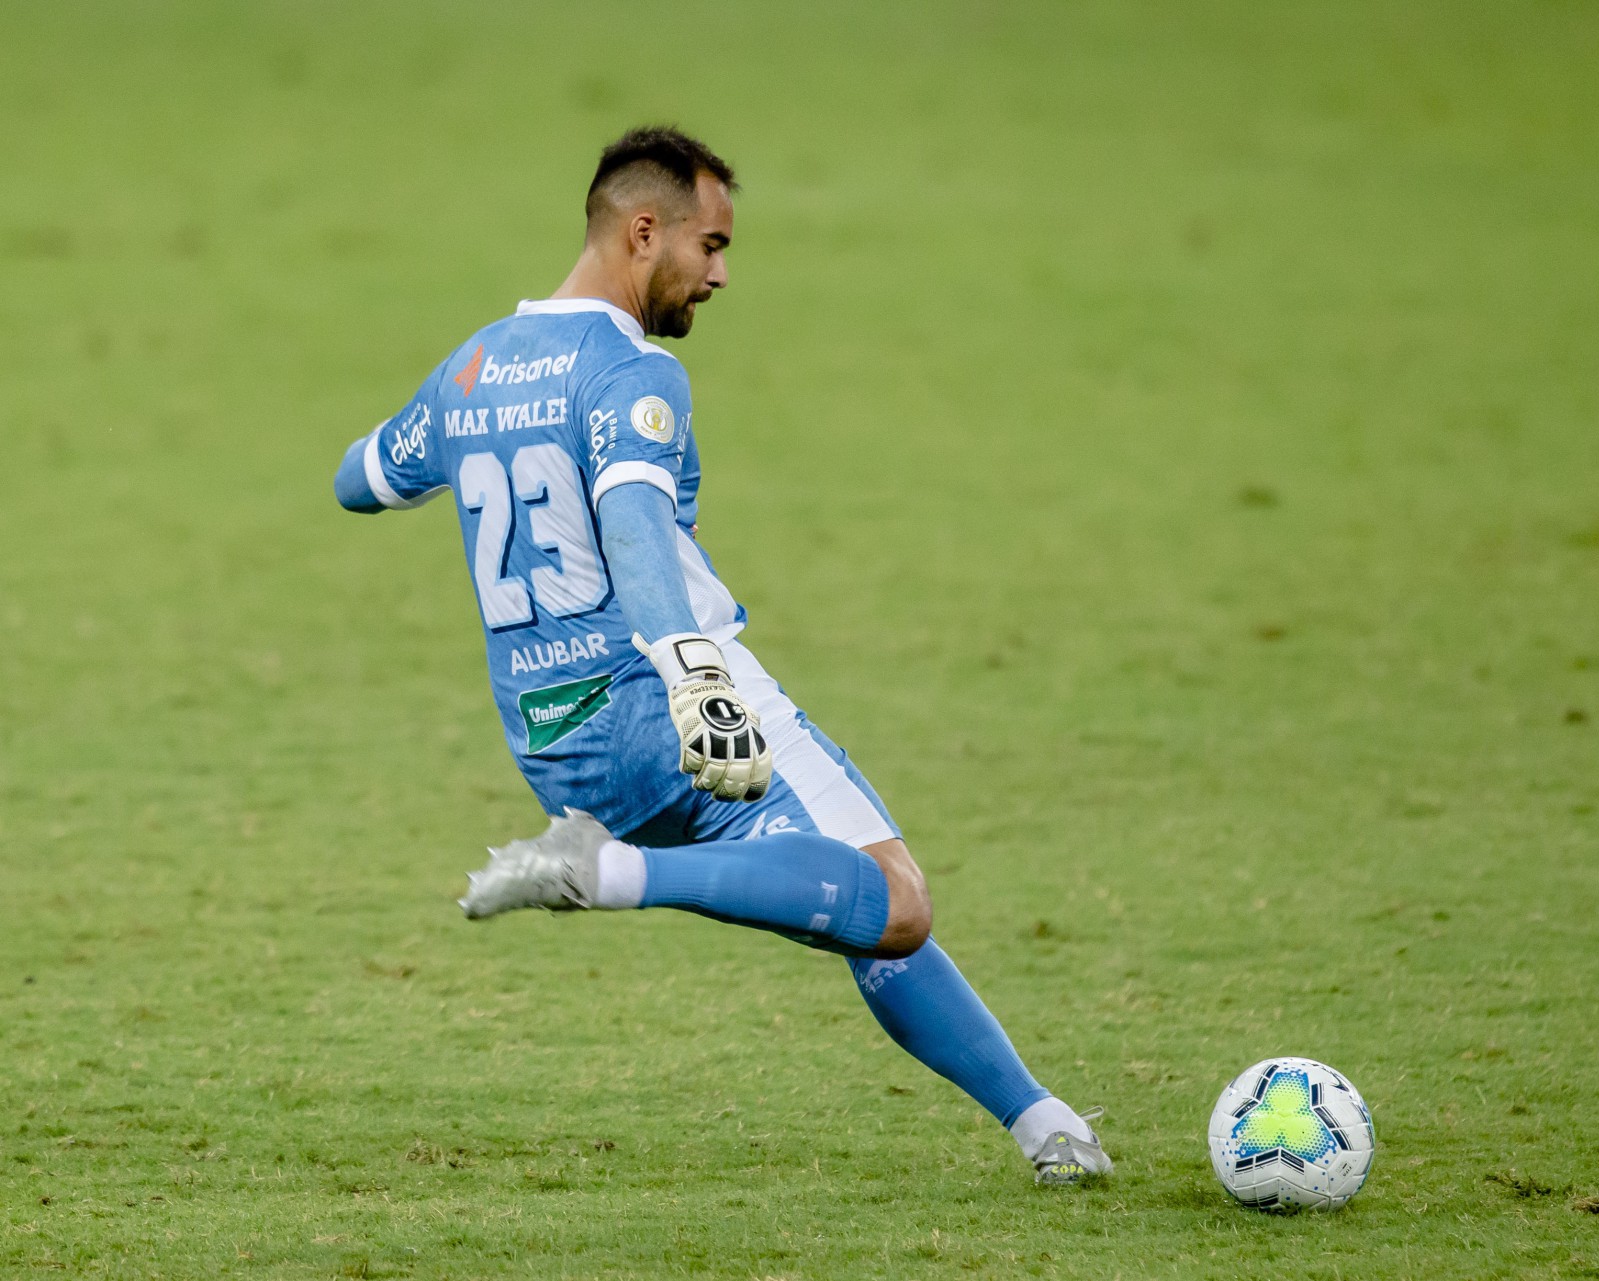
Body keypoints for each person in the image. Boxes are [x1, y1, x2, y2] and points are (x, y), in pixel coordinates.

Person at [331, 125, 1108, 1184]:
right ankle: (608, 874)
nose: (722, 274)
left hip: (556, 744)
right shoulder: (628, 372)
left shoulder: (471, 368)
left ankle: (1046, 1126)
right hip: (670, 704)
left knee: (855, 900)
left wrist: (461, 426)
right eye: (710, 245)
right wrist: (698, 675)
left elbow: (360, 477)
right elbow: (637, 523)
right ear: (644, 231)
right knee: (894, 900)